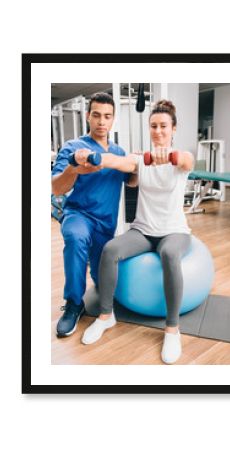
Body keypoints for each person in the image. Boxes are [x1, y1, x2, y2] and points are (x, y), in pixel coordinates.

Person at [77, 99, 194, 364]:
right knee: (109, 250)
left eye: (163, 126)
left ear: (173, 128)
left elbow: (187, 160)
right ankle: (106, 316)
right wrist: (93, 157)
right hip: (142, 231)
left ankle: (172, 329)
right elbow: (116, 161)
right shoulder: (140, 160)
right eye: (153, 126)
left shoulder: (181, 157)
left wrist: (169, 156)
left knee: (170, 255)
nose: (158, 131)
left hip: (174, 231)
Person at [52, 93, 133, 338]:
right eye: (96, 115)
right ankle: (74, 304)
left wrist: (139, 162)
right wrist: (74, 168)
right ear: (88, 116)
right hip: (79, 215)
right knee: (76, 239)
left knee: (103, 282)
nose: (101, 121)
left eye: (107, 116)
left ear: (113, 119)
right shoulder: (73, 147)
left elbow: (133, 181)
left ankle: (98, 287)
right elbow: (57, 188)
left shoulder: (119, 152)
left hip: (105, 226)